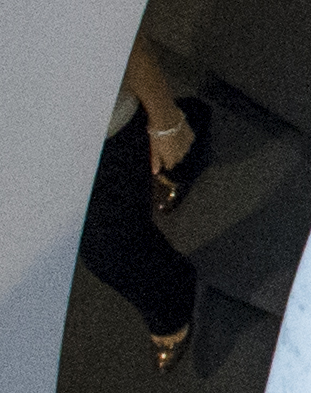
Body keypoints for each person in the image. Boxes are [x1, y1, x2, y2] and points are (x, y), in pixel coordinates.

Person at [78, 35, 212, 372]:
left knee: (107, 248)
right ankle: (186, 141)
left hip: (93, 124)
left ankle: (172, 297)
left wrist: (166, 121)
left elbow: (113, 27)